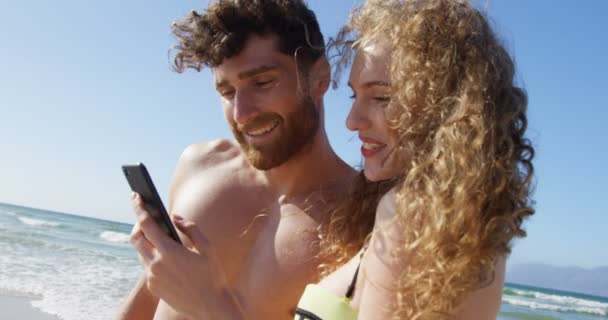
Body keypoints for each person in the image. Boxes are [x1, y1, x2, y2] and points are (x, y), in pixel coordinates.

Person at [113, 1, 376, 319]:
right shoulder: (199, 166)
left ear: (319, 77)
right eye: (226, 92)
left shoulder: (367, 214)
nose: (241, 114)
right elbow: (149, 296)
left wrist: (210, 304)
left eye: (262, 83)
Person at [294, 0, 535, 319]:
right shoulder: (460, 222)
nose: (352, 121)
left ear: (447, 104)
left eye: (381, 97)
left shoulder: (406, 214)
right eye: (355, 95)